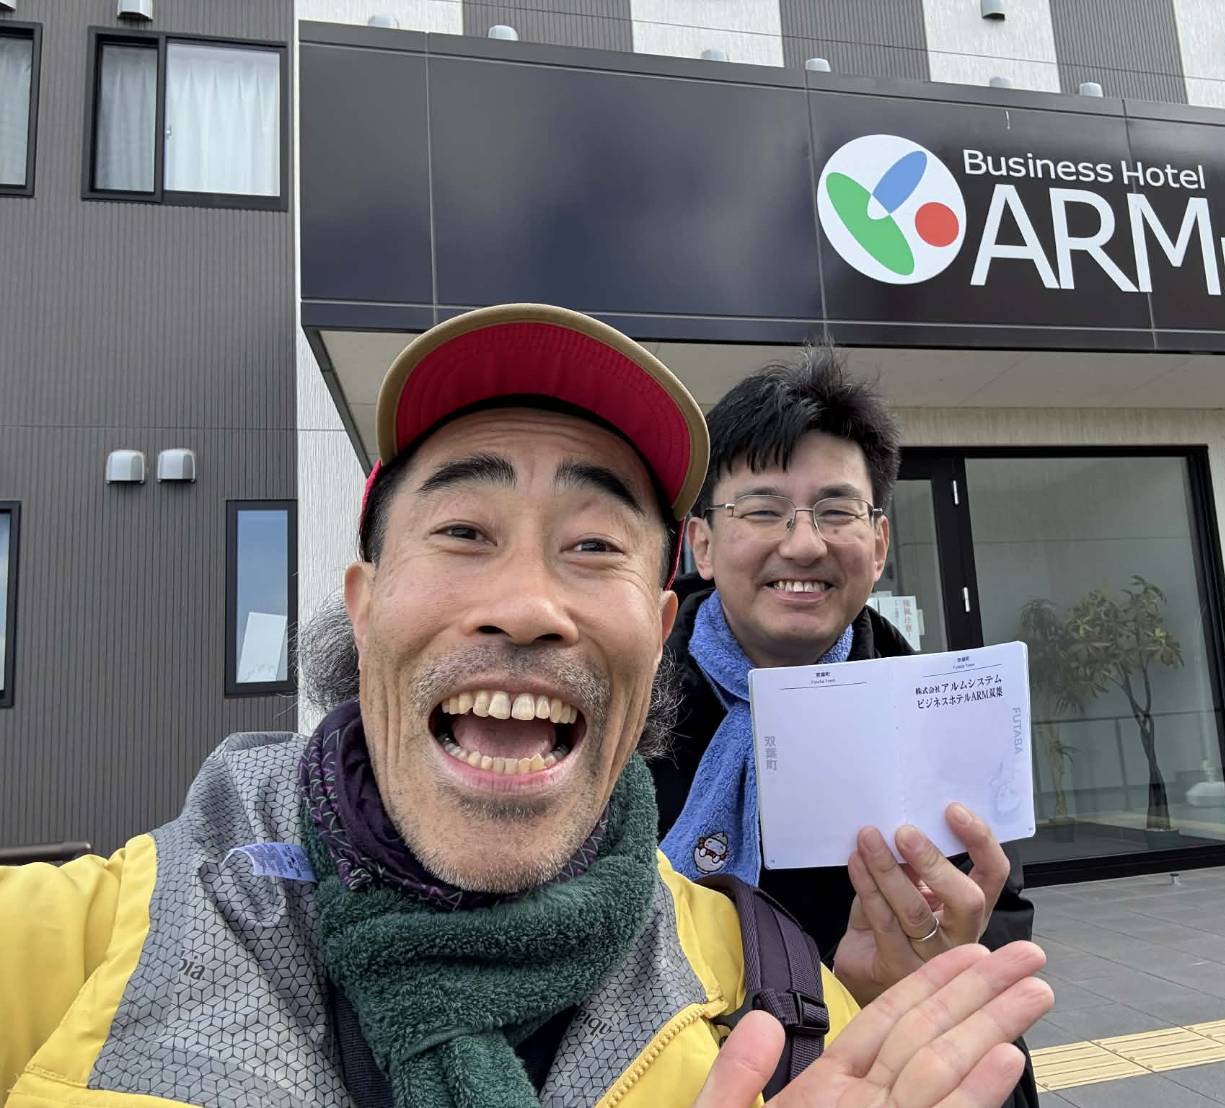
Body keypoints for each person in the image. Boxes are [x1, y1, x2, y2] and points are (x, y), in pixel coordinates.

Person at [0, 305, 1052, 1108]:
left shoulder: (769, 983)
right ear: (363, 604)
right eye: (464, 531)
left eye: (592, 544)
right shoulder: (86, 941)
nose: (528, 605)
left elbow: (963, 1032)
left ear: (653, 621)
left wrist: (891, 996)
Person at [652, 347, 1040, 1106]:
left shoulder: (942, 723)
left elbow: (996, 928)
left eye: (835, 511)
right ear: (701, 542)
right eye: (762, 510)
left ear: (879, 543)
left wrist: (931, 968)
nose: (803, 544)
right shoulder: (615, 714)